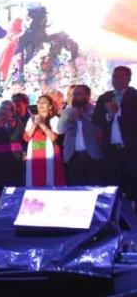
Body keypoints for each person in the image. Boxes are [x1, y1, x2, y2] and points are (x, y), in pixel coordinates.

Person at [94, 66, 137, 199]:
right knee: (112, 185)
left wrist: (118, 111)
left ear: (128, 79)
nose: (116, 80)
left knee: (132, 185)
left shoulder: (134, 96)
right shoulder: (104, 98)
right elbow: (96, 119)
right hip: (110, 150)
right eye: (114, 77)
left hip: (131, 150)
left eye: (120, 77)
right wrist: (109, 115)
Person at [57, 85, 103, 186]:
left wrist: (82, 117)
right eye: (74, 94)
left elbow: (99, 129)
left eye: (79, 94)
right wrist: (69, 119)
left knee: (94, 187)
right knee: (75, 187)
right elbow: (60, 130)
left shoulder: (95, 110)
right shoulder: (67, 111)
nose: (75, 97)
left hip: (92, 156)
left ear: (88, 96)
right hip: (73, 156)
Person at [23, 94, 66, 187]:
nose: (41, 105)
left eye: (44, 103)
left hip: (50, 153)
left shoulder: (54, 119)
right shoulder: (31, 119)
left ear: (50, 106)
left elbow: (54, 138)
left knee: (51, 178)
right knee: (35, 178)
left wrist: (42, 124)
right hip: (35, 153)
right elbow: (26, 137)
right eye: (39, 102)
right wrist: (34, 124)